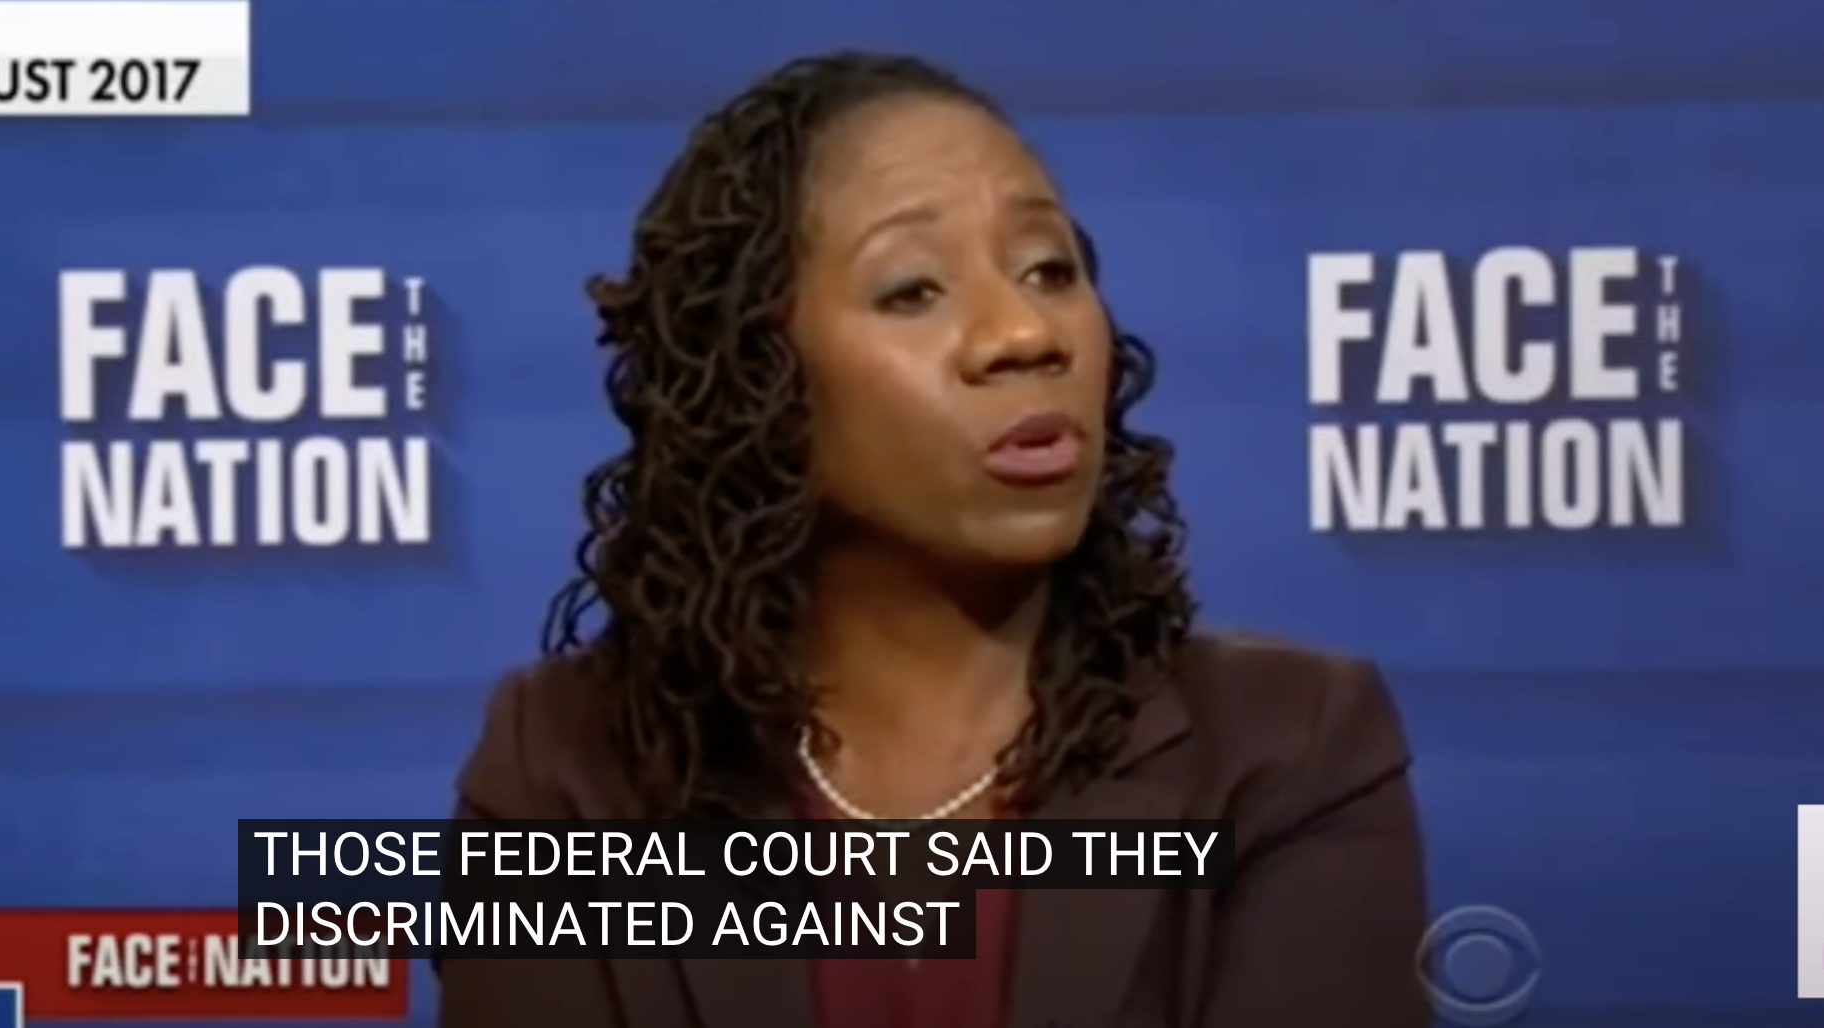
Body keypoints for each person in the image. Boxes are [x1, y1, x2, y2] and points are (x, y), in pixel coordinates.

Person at [442, 51, 1428, 1028]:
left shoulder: (1290, 752)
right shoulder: (563, 771)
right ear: (754, 376)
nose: (1026, 333)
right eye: (914, 289)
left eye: (1049, 269)